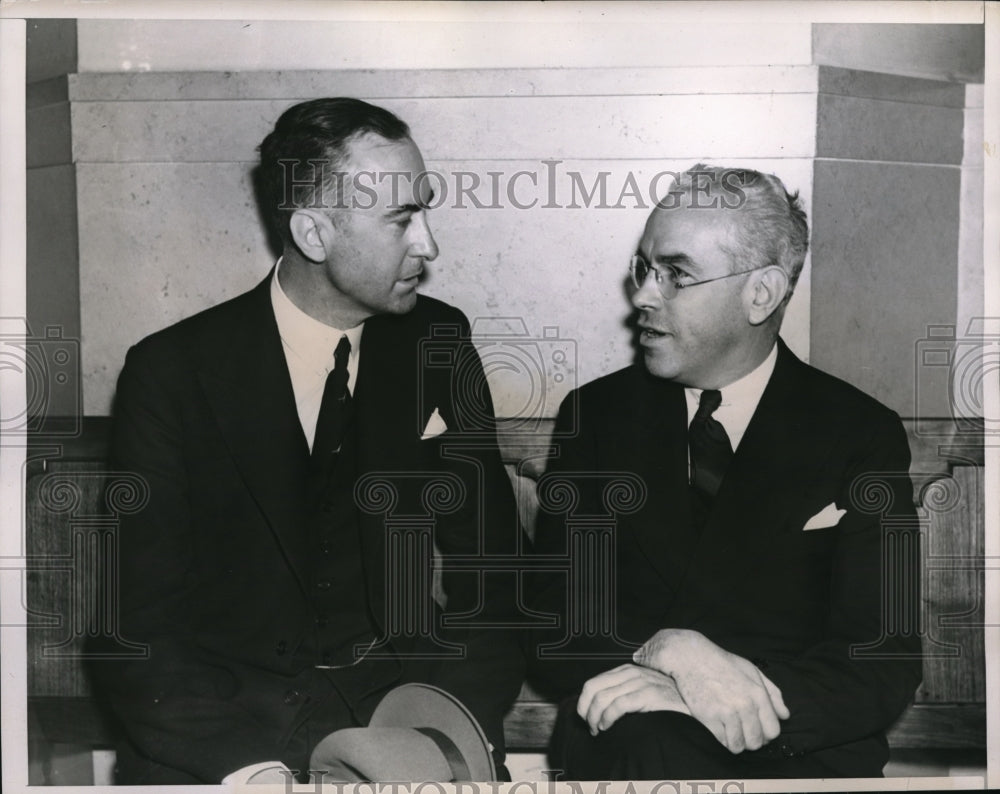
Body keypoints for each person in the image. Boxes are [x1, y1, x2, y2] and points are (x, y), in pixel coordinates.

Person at [90, 98, 524, 784]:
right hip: (220, 732)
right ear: (314, 234)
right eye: (402, 219)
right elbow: (135, 629)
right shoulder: (172, 373)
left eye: (425, 211)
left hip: (399, 720)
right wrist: (243, 768)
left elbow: (496, 577)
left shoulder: (437, 342)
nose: (429, 246)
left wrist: (446, 733)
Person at [527, 165, 921, 779]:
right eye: (644, 269)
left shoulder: (858, 433)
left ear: (761, 294)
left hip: (789, 755)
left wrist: (718, 694)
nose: (643, 296)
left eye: (676, 274)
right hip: (630, 741)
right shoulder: (598, 415)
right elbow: (552, 618)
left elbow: (882, 656)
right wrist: (669, 654)